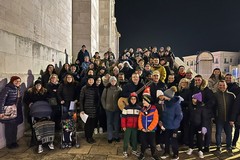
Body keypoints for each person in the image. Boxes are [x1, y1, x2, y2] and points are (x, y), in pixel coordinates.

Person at [24, 79, 53, 153]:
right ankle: (36, 142)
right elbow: (25, 99)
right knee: (35, 127)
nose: (38, 86)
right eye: (37, 85)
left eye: (39, 85)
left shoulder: (45, 91)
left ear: (42, 85)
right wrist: (29, 103)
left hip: (44, 112)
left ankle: (47, 142)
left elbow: (50, 98)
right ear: (35, 85)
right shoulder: (30, 92)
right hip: (34, 112)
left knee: (47, 126)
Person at [0, 76, 23, 149]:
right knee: (9, 128)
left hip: (15, 111)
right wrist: (1, 112)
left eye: (19, 81)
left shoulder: (17, 89)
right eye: (16, 81)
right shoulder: (7, 89)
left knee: (14, 127)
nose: (18, 82)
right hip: (8, 111)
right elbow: (2, 100)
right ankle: (9, 143)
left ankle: (14, 142)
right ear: (12, 81)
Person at [160, 87, 183, 160]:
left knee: (174, 141)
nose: (163, 96)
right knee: (166, 140)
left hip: (174, 127)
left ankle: (176, 154)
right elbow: (164, 113)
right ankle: (166, 152)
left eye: (165, 95)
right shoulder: (165, 103)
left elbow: (179, 116)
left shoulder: (176, 105)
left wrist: (174, 124)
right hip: (166, 126)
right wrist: (162, 122)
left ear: (169, 97)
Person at [214, 80, 236, 155]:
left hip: (229, 119)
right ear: (218, 86)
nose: (222, 86)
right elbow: (213, 107)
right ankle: (218, 147)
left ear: (226, 86)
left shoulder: (231, 95)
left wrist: (233, 118)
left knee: (229, 134)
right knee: (218, 134)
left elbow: (235, 108)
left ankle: (229, 148)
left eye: (223, 85)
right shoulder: (215, 95)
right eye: (220, 85)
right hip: (219, 119)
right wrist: (214, 117)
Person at [138, 93, 159, 160]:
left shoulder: (154, 109)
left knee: (153, 143)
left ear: (148, 101)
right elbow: (139, 119)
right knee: (143, 143)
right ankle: (142, 153)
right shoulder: (142, 110)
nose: (143, 102)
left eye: (144, 100)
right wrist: (141, 128)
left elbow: (155, 120)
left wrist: (150, 128)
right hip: (143, 130)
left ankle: (154, 154)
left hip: (151, 130)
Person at [186, 92, 207, 159]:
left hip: (199, 125)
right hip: (191, 124)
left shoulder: (202, 107)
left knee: (199, 139)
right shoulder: (190, 105)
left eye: (194, 98)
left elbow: (204, 117)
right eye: (193, 98)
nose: (193, 99)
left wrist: (203, 126)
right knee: (191, 137)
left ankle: (200, 150)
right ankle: (191, 148)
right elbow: (188, 114)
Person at [101, 76, 122, 143]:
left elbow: (121, 98)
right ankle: (110, 137)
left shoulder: (119, 89)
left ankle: (116, 136)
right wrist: (105, 106)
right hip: (108, 109)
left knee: (116, 123)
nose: (113, 82)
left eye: (114, 81)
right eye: (112, 81)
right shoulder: (106, 89)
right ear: (110, 81)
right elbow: (103, 98)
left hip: (116, 109)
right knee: (109, 123)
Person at [79, 76, 100, 143]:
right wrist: (81, 109)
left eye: (92, 80)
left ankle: (91, 136)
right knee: (87, 124)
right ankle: (87, 137)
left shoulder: (95, 88)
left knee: (92, 124)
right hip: (86, 108)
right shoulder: (84, 88)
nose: (91, 81)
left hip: (94, 108)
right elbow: (81, 99)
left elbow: (98, 98)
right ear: (87, 81)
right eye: (89, 80)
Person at [121, 92, 141, 158]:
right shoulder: (126, 108)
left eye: (134, 99)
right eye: (132, 99)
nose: (133, 100)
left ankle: (134, 150)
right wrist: (123, 126)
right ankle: (124, 151)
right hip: (127, 127)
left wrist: (139, 126)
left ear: (136, 100)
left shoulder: (139, 108)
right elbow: (123, 118)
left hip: (135, 127)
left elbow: (140, 118)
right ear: (129, 99)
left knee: (134, 139)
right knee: (126, 139)